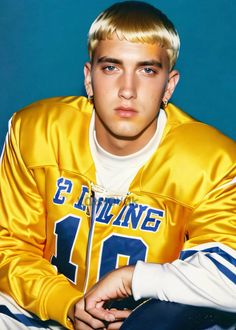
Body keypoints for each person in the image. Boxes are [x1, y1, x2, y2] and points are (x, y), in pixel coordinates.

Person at [0, 1, 235, 329]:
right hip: (43, 314)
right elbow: (9, 243)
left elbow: (231, 275)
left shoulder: (212, 161)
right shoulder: (36, 131)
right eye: (111, 68)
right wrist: (66, 304)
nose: (128, 90)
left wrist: (132, 279)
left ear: (169, 85)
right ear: (88, 78)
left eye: (147, 70)